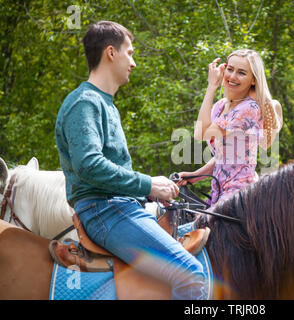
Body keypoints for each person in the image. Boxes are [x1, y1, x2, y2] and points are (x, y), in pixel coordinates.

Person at [54, 21, 206, 300]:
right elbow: (88, 165)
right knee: (192, 275)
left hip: (118, 207)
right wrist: (148, 184)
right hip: (105, 211)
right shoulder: (85, 102)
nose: (133, 63)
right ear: (111, 53)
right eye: (130, 53)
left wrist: (150, 192)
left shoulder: (105, 103)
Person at [178, 49, 283, 207]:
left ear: (253, 80)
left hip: (239, 196)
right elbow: (224, 156)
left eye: (241, 73)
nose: (232, 76)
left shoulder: (249, 108)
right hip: (219, 193)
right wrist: (195, 176)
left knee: (187, 229)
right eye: (230, 69)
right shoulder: (220, 106)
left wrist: (211, 87)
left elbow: (200, 133)